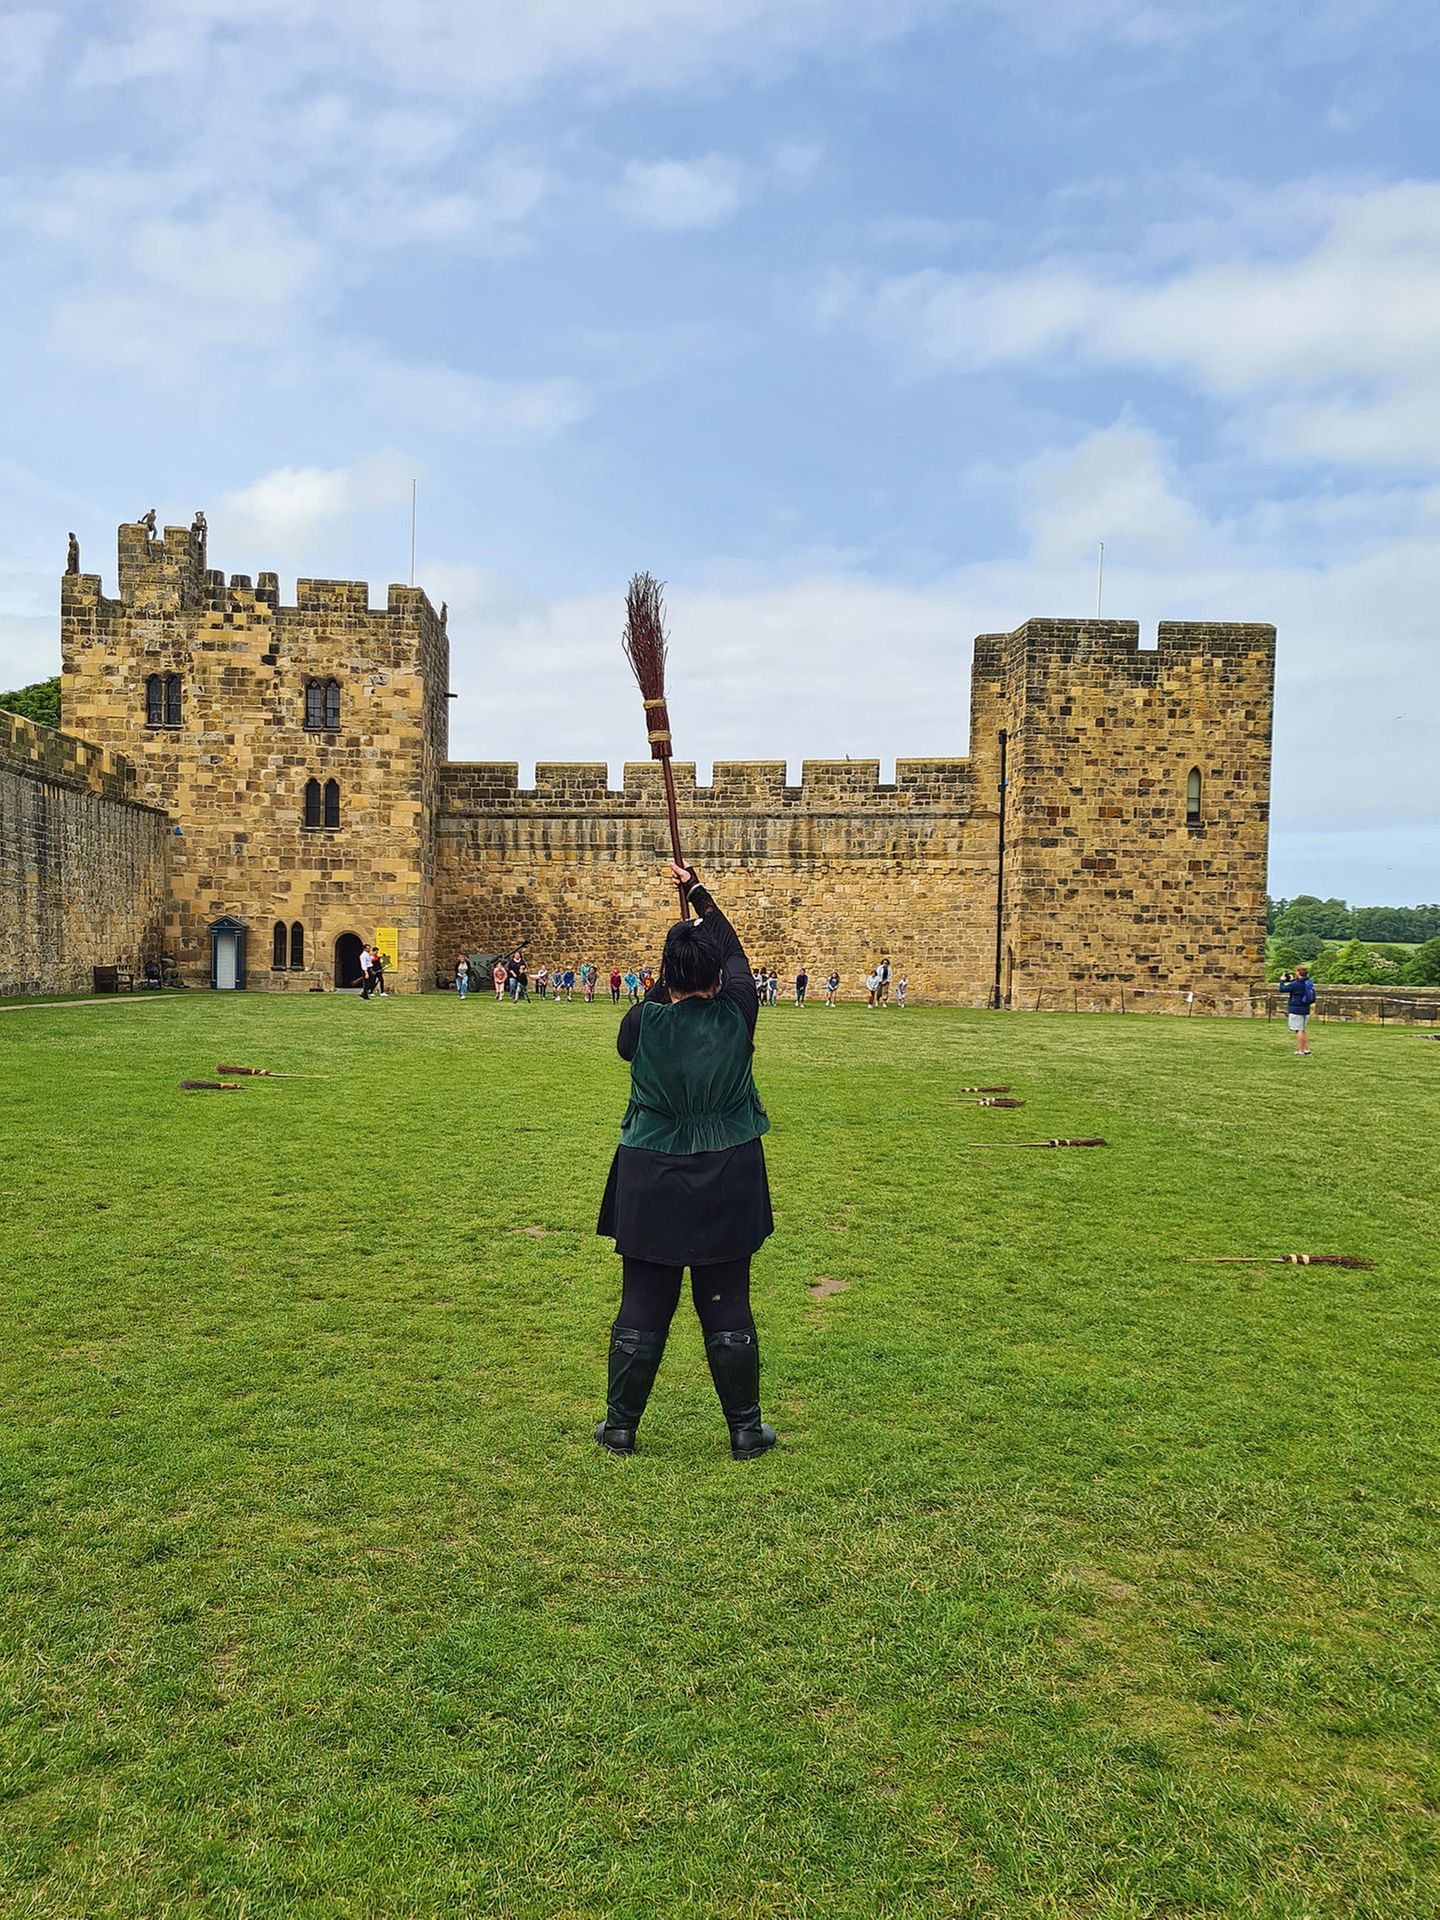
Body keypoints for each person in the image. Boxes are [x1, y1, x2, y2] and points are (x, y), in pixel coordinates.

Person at [594, 862, 776, 1462]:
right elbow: (734, 949)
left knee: (644, 1298)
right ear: (717, 978)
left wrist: (669, 973)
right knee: (727, 1296)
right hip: (728, 1169)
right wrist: (698, 894)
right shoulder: (739, 1011)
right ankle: (744, 1430)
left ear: (668, 975)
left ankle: (620, 1426)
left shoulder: (646, 1019)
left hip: (652, 1171)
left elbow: (634, 1031)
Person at [1278, 964, 1316, 1055]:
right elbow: (1300, 985)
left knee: (1298, 1030)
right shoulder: (1308, 982)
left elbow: (1282, 989)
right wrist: (1293, 980)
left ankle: (1300, 1051)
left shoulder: (1296, 984)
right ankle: (1306, 1049)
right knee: (1302, 1029)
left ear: (1298, 972)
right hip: (1305, 1008)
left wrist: (1282, 981)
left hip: (1296, 1009)